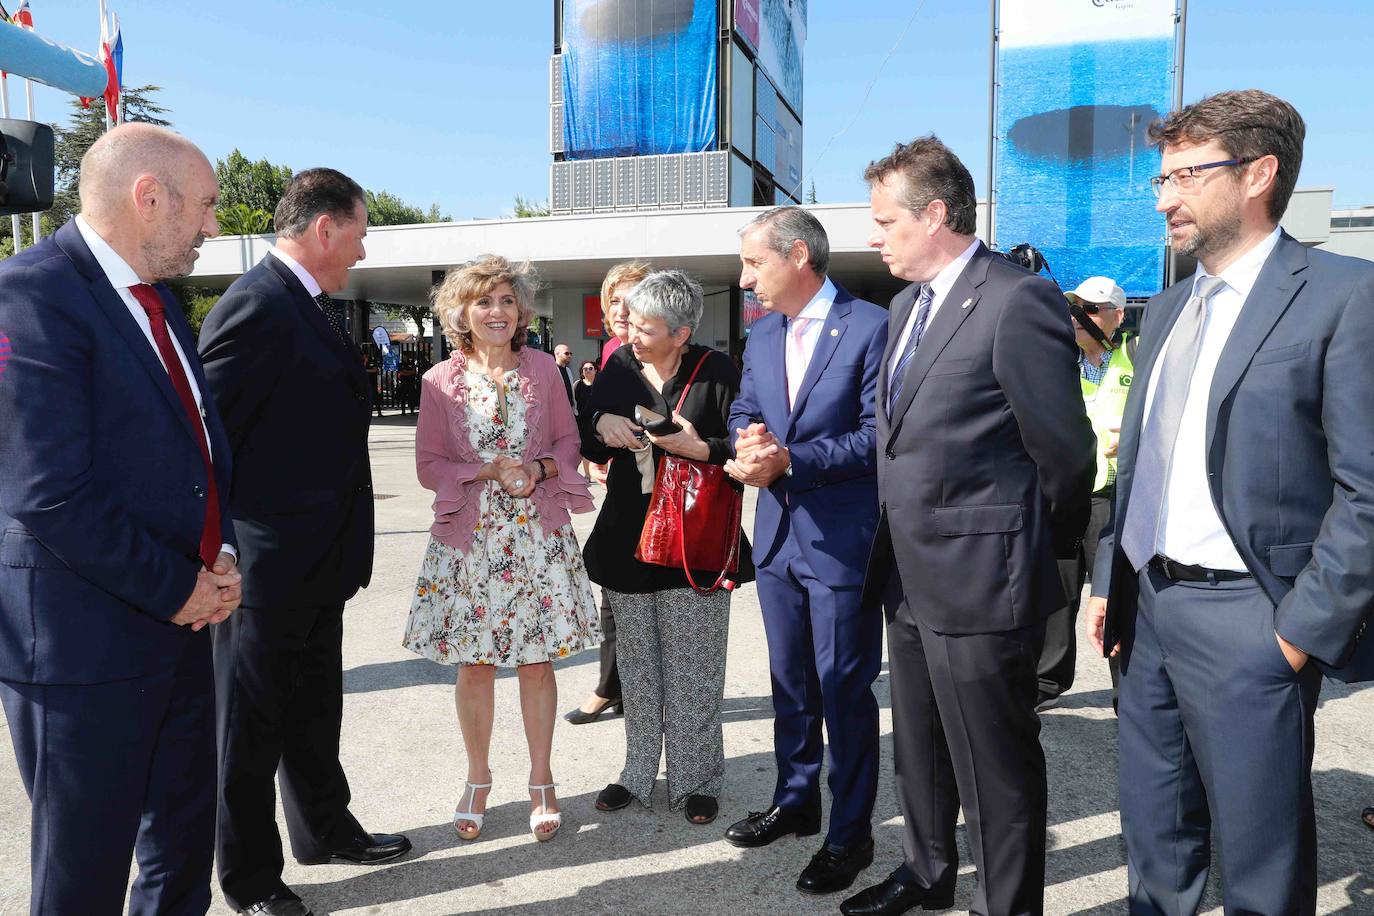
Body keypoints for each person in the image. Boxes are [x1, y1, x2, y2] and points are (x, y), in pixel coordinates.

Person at [1085, 89, 1374, 915]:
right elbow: (1142, 461)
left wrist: (1296, 634)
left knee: (1259, 854)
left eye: (1183, 175)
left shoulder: (1345, 295)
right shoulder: (1171, 305)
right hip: (1147, 611)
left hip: (1252, 618)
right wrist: (1112, 576)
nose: (1164, 196)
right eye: (1160, 179)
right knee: (1155, 838)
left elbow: (1367, 488)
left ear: (1260, 173)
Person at [843, 136, 1094, 916]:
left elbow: (1064, 453)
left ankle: (1007, 905)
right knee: (917, 745)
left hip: (984, 581)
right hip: (908, 575)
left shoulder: (1017, 298)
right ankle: (926, 873)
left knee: (996, 766)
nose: (875, 236)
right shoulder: (902, 307)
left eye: (886, 221)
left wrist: (1024, 553)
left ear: (936, 213)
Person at [0, 123, 240, 915]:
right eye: (204, 206)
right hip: (83, 650)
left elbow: (197, 450)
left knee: (179, 856)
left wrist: (221, 554)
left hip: (181, 626)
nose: (213, 225)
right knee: (84, 878)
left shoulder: (161, 301)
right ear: (149, 198)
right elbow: (48, 491)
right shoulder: (31, 293)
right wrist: (180, 587)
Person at [199, 168, 410, 916]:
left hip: (320, 559)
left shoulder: (311, 305)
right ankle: (250, 879)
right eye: (358, 231)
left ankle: (325, 830)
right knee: (247, 730)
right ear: (325, 229)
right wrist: (220, 553)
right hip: (266, 565)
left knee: (315, 709)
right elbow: (206, 443)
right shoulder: (256, 307)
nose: (362, 247)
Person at [402, 255, 599, 844]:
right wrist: (485, 469)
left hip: (536, 538)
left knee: (537, 664)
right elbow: (428, 464)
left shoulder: (544, 369)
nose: (496, 311)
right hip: (471, 541)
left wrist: (538, 467)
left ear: (521, 311)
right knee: (475, 665)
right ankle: (479, 778)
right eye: (484, 301)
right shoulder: (439, 380)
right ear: (462, 311)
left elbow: (569, 441)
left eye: (507, 301)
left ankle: (542, 780)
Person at [722, 206, 888, 897]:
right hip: (778, 543)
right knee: (790, 682)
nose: (742, 278)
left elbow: (881, 436)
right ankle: (797, 801)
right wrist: (747, 446)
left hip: (843, 545)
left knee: (844, 688)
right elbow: (742, 412)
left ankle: (850, 833)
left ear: (796, 256)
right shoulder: (762, 337)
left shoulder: (874, 327)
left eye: (752, 263)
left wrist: (791, 460)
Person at [580, 269, 753, 825]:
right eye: (629, 321)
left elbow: (746, 442)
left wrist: (699, 446)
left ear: (681, 333)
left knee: (694, 669)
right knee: (637, 667)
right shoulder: (620, 366)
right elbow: (584, 434)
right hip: (627, 539)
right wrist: (602, 420)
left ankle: (695, 778)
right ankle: (636, 772)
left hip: (693, 543)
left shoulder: (717, 371)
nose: (631, 333)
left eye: (646, 327)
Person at [1035, 276, 1133, 709]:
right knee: (1056, 592)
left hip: (1114, 496)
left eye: (1092, 309)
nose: (1080, 317)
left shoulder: (1137, 355)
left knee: (1115, 596)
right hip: (1064, 493)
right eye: (1075, 308)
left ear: (1118, 315)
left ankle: (1126, 689)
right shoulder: (1058, 360)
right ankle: (1047, 682)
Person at [565, 260, 652, 725]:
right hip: (625, 489)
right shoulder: (613, 352)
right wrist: (598, 442)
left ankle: (620, 689)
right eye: (614, 300)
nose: (621, 309)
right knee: (613, 593)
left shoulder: (649, 351)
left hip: (664, 494)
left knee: (640, 597)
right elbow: (594, 420)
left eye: (632, 298)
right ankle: (609, 686)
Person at [575, 360, 598, 478]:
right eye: (585, 369)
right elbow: (573, 403)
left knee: (600, 446)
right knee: (586, 448)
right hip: (583, 421)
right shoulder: (577, 385)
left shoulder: (600, 385)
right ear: (582, 372)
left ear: (595, 371)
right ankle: (587, 474)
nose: (588, 371)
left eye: (590, 368)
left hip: (598, 421)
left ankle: (600, 472)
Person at [554, 342, 578, 412]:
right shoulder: (551, 370)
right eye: (566, 353)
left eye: (571, 353)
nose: (569, 356)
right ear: (557, 354)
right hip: (558, 410)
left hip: (570, 409)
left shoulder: (568, 370)